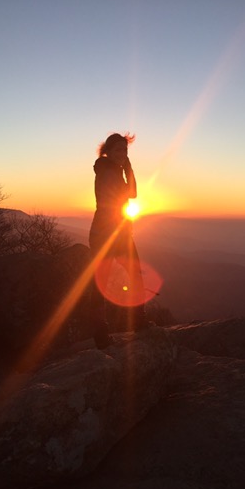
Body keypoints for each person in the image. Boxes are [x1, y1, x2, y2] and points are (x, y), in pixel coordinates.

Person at [89, 132, 149, 349]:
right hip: (106, 234)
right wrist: (128, 168)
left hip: (118, 233)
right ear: (108, 151)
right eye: (118, 150)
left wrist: (127, 167)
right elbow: (131, 193)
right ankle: (104, 334)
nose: (122, 154)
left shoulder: (113, 169)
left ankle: (132, 325)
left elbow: (130, 194)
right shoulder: (107, 172)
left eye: (125, 150)